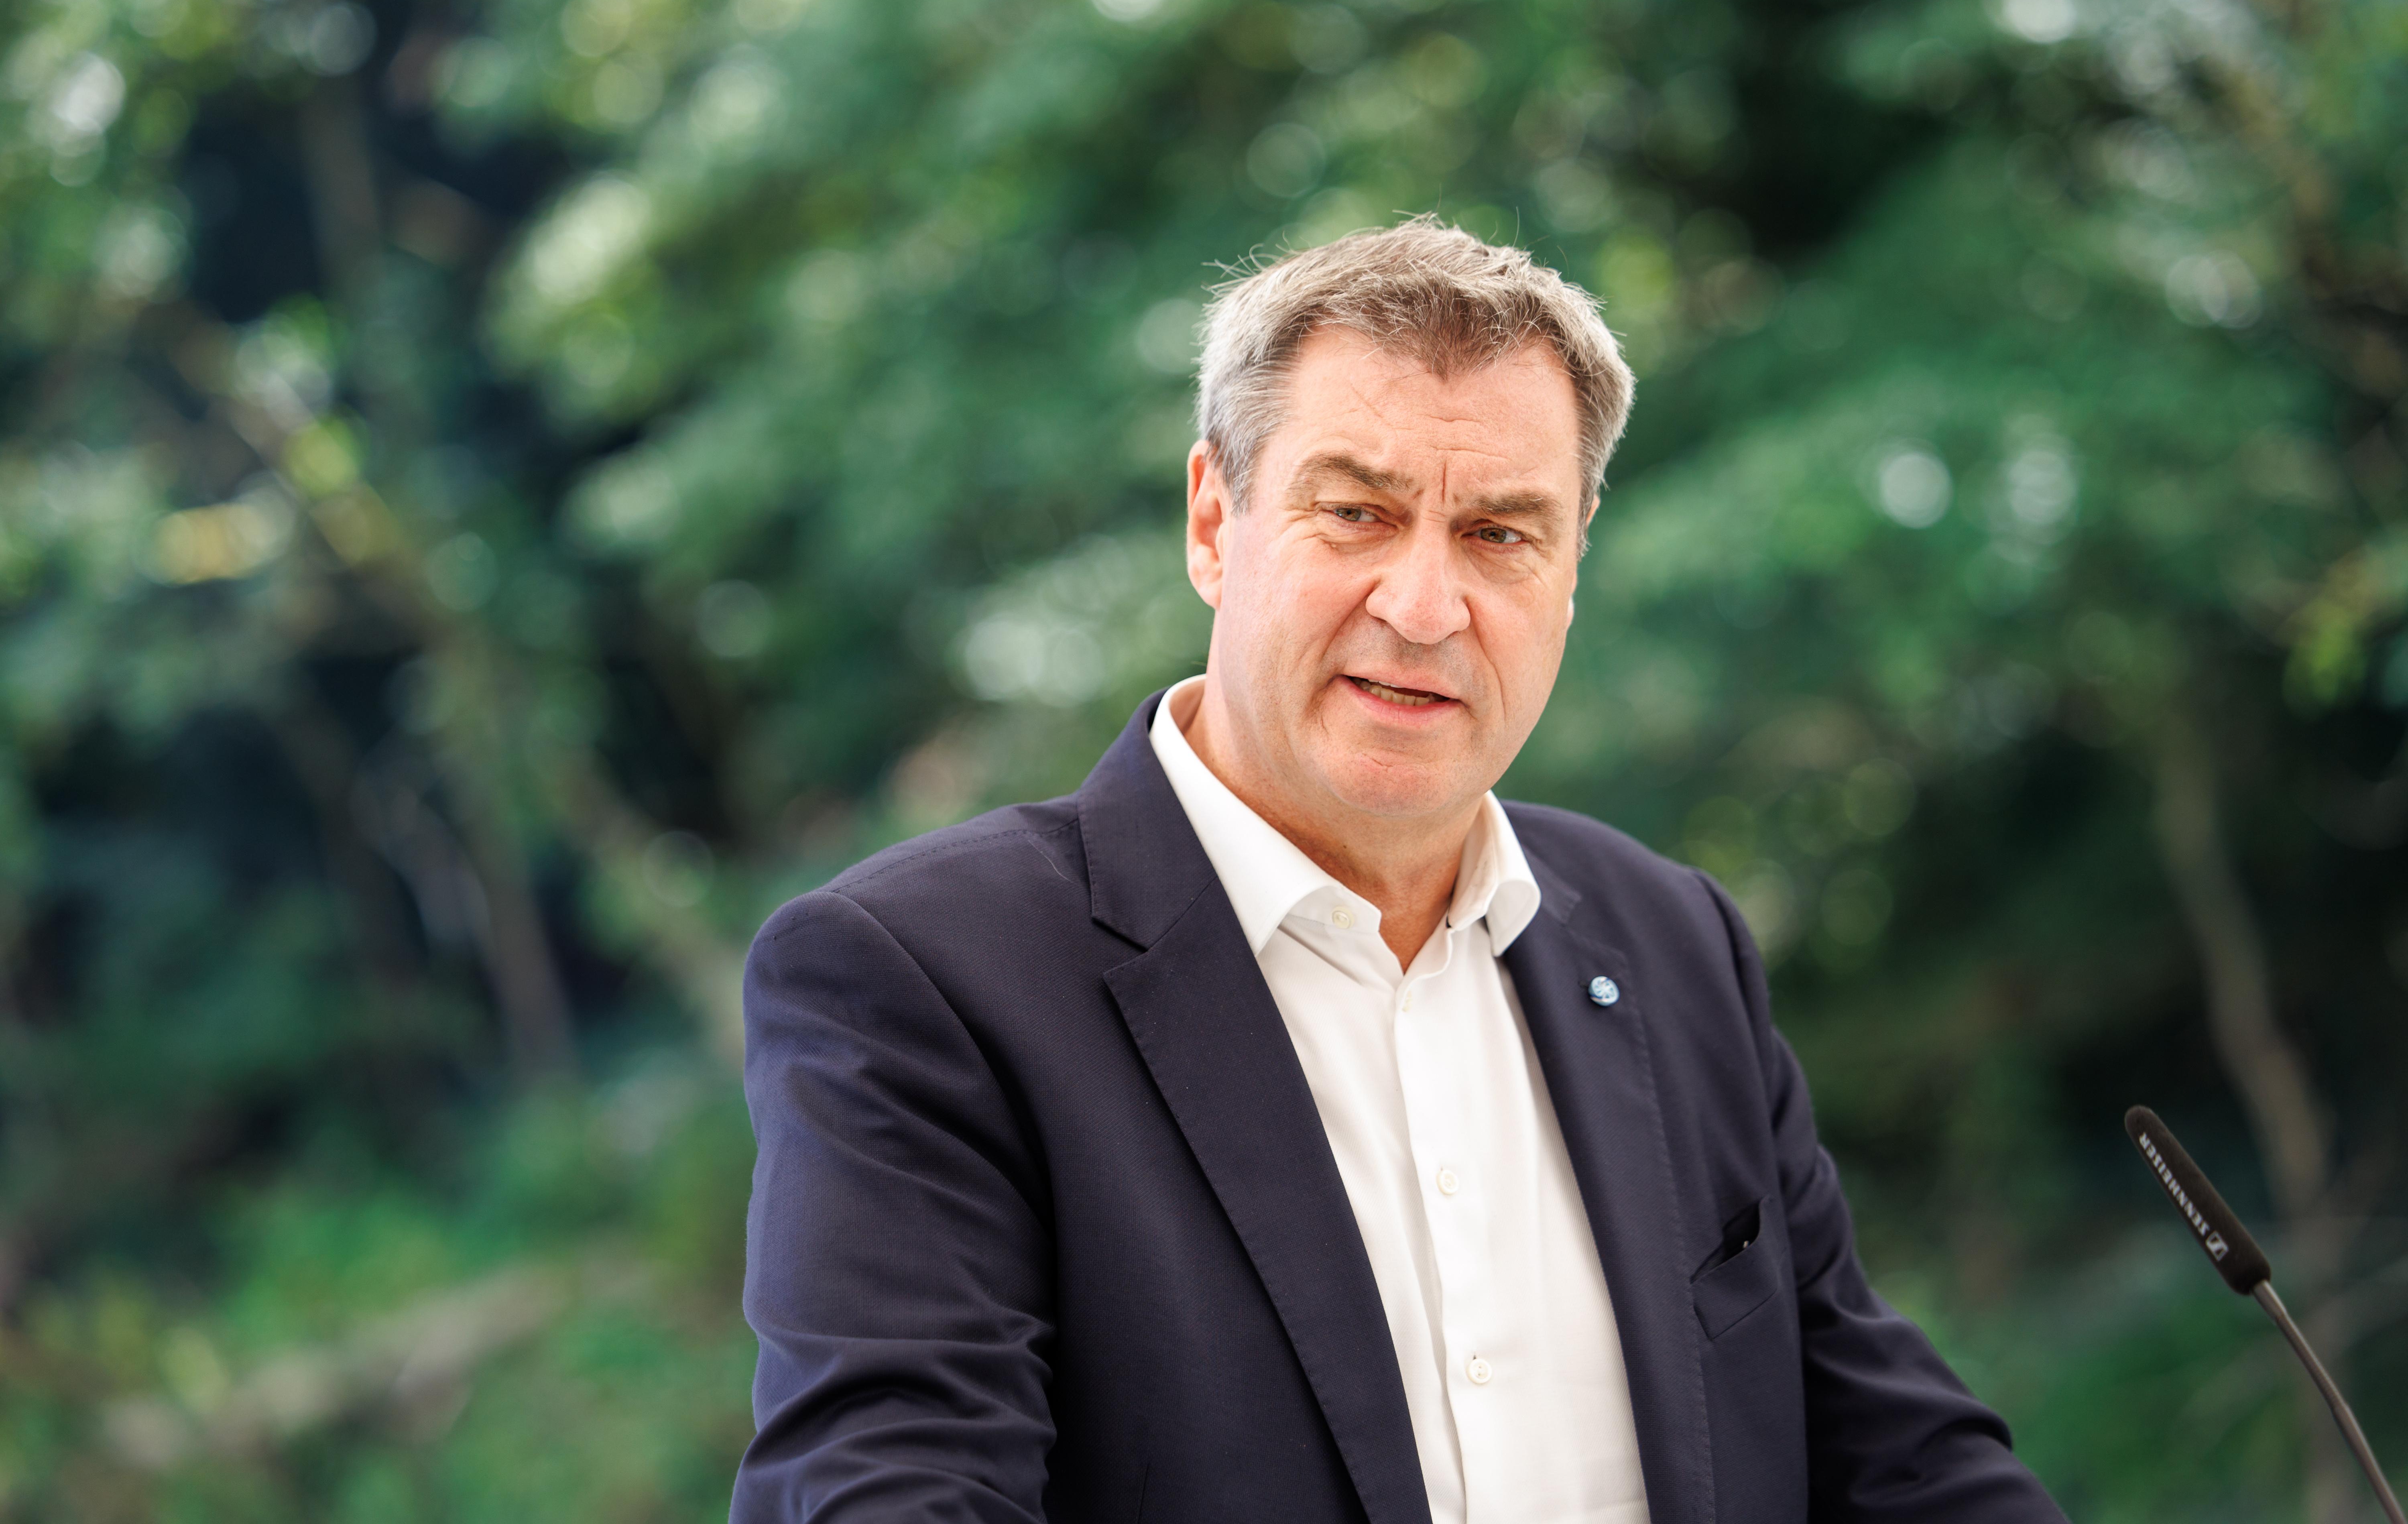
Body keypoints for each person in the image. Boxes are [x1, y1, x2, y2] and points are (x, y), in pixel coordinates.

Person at [734, 218, 2067, 1524]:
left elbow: (1895, 1453)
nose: (1425, 608)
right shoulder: (922, 983)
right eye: (1356, 513)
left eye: (1499, 534)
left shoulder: (1674, 944)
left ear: (1573, 565)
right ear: (1214, 521)